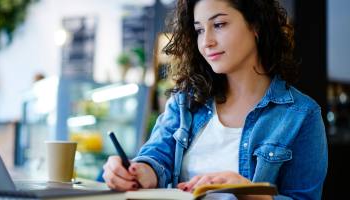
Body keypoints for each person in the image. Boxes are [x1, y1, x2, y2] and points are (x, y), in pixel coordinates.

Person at [102, 0, 328, 199]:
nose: (206, 41)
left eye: (219, 25)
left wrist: (249, 192)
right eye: (199, 30)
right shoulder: (186, 102)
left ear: (256, 25)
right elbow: (158, 157)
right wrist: (138, 172)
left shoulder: (301, 114)